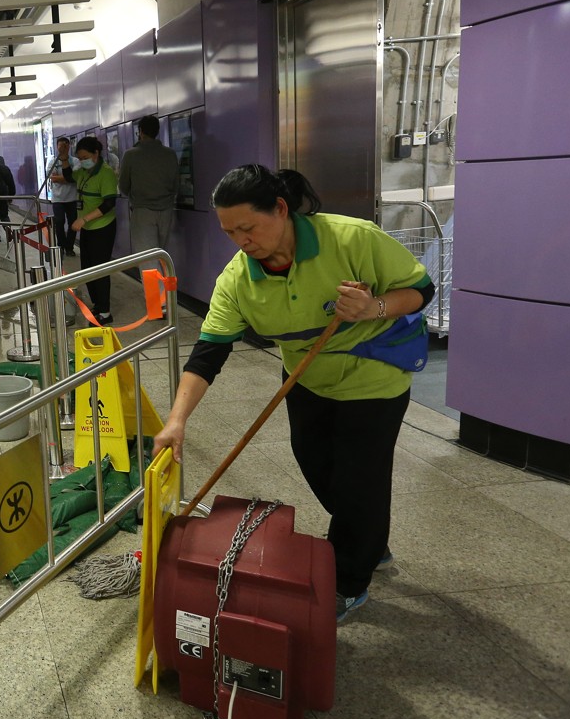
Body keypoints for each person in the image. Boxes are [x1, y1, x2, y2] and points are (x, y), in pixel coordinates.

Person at [151, 164, 435, 624]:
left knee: (359, 479)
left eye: (249, 226)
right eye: (229, 231)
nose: (241, 240)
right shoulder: (238, 281)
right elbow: (208, 354)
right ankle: (366, 534)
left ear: (281, 209)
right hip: (307, 378)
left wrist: (373, 307)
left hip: (374, 376)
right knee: (315, 462)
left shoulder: (351, 239)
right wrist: (177, 420)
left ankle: (349, 582)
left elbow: (423, 289)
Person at [68, 136, 118, 324]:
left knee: (100, 269)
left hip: (102, 228)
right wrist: (64, 157)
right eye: (79, 158)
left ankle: (105, 312)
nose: (82, 161)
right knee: (87, 269)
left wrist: (84, 219)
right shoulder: (83, 171)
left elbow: (109, 204)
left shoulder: (106, 173)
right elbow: (67, 176)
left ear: (96, 153)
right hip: (87, 228)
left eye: (85, 157)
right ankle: (97, 304)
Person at [119, 115, 179, 266]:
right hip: (166, 210)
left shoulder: (131, 155)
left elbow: (123, 186)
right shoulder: (170, 154)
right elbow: (176, 184)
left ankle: (157, 290)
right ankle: (166, 289)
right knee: (162, 257)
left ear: (140, 131)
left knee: (148, 262)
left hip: (142, 212)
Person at [47, 137, 79, 256]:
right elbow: (54, 179)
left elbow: (74, 178)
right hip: (58, 199)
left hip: (72, 198)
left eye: (65, 146)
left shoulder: (75, 161)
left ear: (69, 146)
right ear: (56, 147)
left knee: (73, 223)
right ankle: (61, 245)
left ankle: (69, 247)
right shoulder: (52, 162)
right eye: (60, 146)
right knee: (59, 222)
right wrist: (68, 178)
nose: (62, 149)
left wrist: (67, 178)